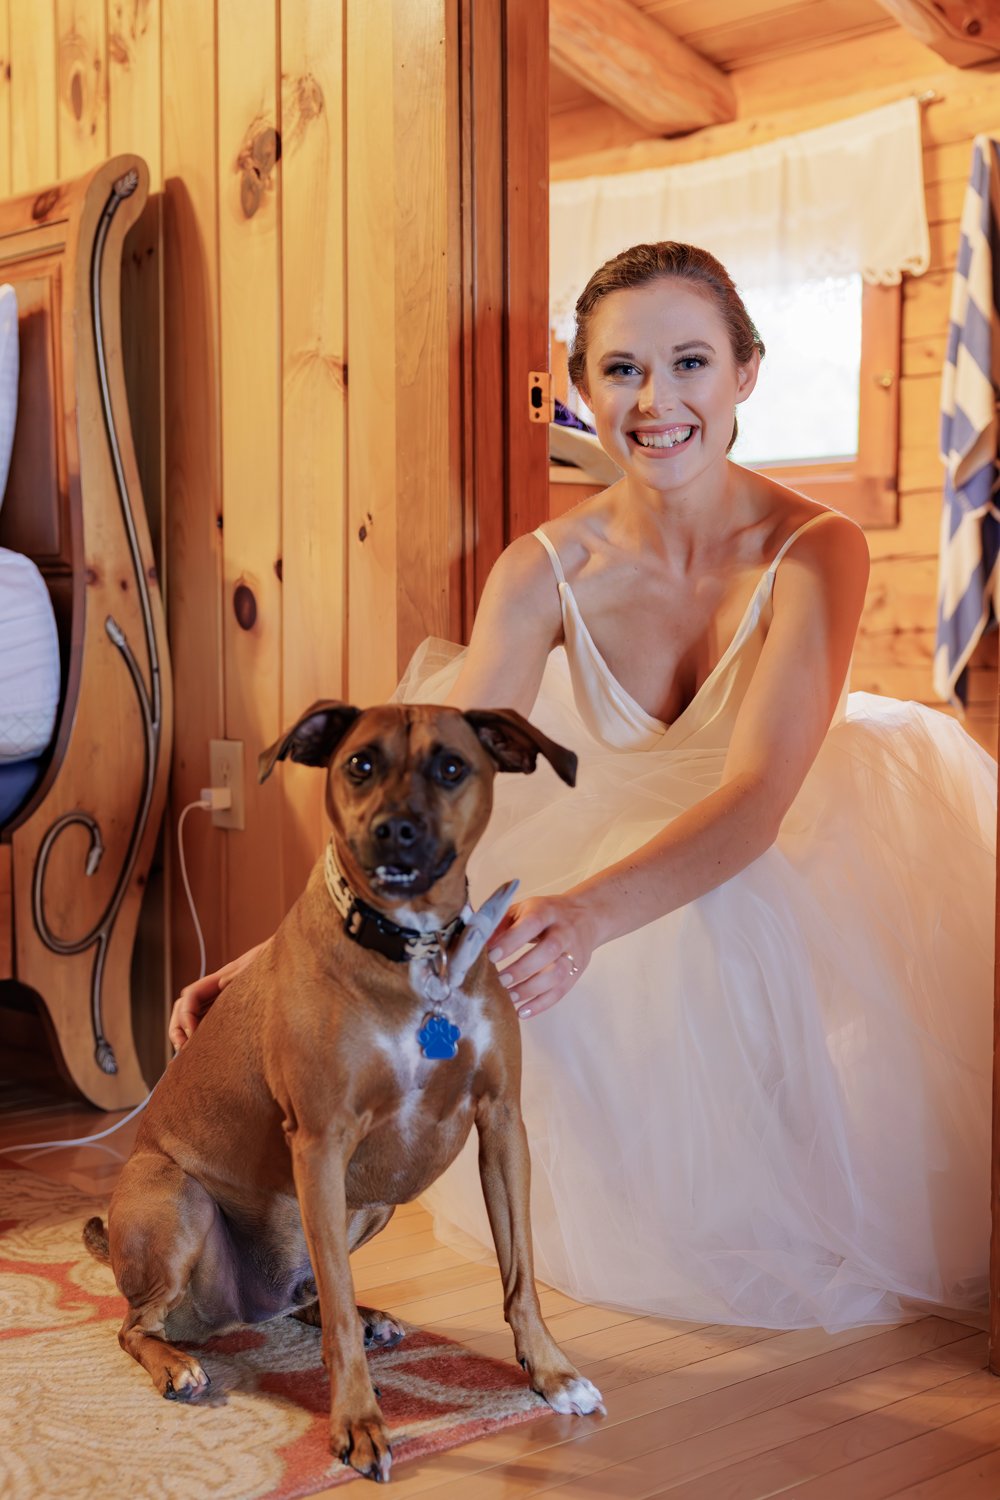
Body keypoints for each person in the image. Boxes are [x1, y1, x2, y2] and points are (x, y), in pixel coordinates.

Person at [173, 242, 996, 1332]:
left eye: (690, 362)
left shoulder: (816, 551)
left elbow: (755, 798)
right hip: (599, 809)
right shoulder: (543, 568)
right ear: (580, 386)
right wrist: (278, 956)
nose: (656, 402)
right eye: (620, 371)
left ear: (746, 372)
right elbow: (432, 790)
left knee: (718, 933)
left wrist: (590, 915)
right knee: (495, 959)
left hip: (789, 824)